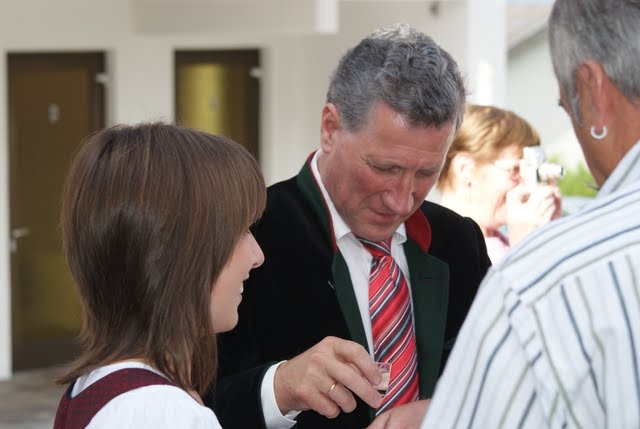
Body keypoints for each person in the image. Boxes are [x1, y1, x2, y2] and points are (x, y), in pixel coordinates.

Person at [205, 23, 492, 429]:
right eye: (384, 168)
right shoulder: (245, 235)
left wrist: (445, 410)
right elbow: (183, 402)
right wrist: (278, 388)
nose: (402, 200)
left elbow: (504, 378)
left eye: (427, 172)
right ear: (330, 128)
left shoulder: (459, 242)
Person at [368, 0, 640, 427]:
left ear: (593, 92)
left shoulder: (537, 279)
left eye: (568, 107)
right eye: (514, 169)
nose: (401, 198)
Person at [52, 123, 266, 428]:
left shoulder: (96, 386)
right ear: (180, 254)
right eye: (241, 231)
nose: (257, 256)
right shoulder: (162, 413)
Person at [438, 104, 562, 263]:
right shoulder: (442, 247)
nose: (524, 184)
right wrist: (524, 249)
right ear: (465, 169)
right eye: (516, 169)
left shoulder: (499, 241)